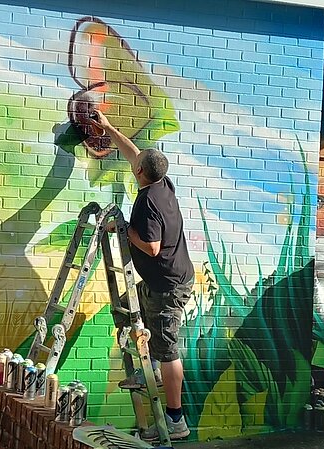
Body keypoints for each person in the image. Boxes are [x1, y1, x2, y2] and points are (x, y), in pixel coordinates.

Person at [90, 110, 194, 440]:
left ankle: (176, 420)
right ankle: (150, 372)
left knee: (167, 349)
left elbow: (151, 246)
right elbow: (135, 154)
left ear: (139, 173)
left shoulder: (149, 201)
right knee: (125, 308)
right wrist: (108, 127)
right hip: (162, 280)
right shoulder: (163, 183)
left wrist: (122, 228)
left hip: (168, 285)